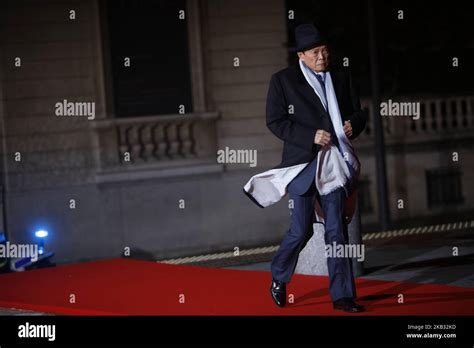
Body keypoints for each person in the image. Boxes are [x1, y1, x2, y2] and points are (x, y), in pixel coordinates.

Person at [243, 23, 367, 313]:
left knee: (337, 232)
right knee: (301, 232)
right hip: (302, 166)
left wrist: (354, 124)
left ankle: (343, 296)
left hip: (334, 165)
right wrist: (309, 135)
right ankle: (279, 274)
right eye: (315, 52)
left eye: (325, 50)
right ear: (301, 55)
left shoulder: (341, 75)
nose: (323, 56)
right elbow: (275, 121)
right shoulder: (283, 81)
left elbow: (359, 111)